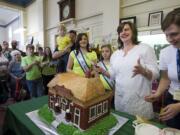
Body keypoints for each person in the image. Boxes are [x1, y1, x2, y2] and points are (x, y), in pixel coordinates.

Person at [109, 22, 159, 119]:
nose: (123, 32)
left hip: (139, 101)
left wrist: (143, 71)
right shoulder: (115, 54)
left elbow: (156, 74)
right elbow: (113, 74)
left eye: (126, 29)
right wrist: (101, 71)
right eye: (120, 31)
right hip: (120, 100)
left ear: (133, 32)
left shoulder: (145, 49)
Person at [145, 9, 180, 129]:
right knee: (172, 129)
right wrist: (158, 93)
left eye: (174, 34)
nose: (170, 39)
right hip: (173, 98)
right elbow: (165, 78)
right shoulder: (165, 52)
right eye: (166, 35)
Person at [95, 44, 115, 108]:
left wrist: (113, 92)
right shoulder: (98, 64)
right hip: (101, 91)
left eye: (107, 51)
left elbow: (116, 79)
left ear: (111, 52)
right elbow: (97, 79)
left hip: (112, 91)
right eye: (103, 51)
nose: (104, 53)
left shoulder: (114, 63)